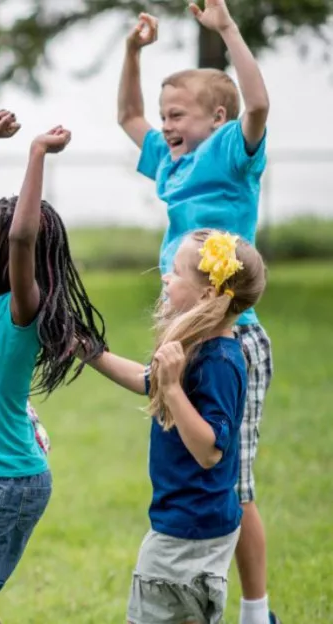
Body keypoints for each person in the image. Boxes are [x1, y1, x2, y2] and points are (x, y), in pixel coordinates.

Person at [117, 3, 275, 621]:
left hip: (233, 333)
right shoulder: (171, 162)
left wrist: (227, 31)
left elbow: (257, 105)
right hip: (193, 329)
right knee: (204, 469)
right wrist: (133, 52)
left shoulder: (235, 152)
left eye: (176, 114)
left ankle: (257, 611)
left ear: (216, 117)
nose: (163, 124)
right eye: (165, 117)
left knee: (235, 483)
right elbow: (128, 115)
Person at [0, 118, 106, 623]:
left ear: (9, 254)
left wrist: (36, 154)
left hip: (2, 482)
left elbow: (24, 238)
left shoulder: (20, 309)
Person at [80, 230, 267, 624]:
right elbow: (148, 379)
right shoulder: (202, 347)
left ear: (206, 294)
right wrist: (91, 353)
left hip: (186, 536)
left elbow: (210, 450)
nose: (165, 277)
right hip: (193, 525)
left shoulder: (219, 361)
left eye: (176, 271)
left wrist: (171, 389)